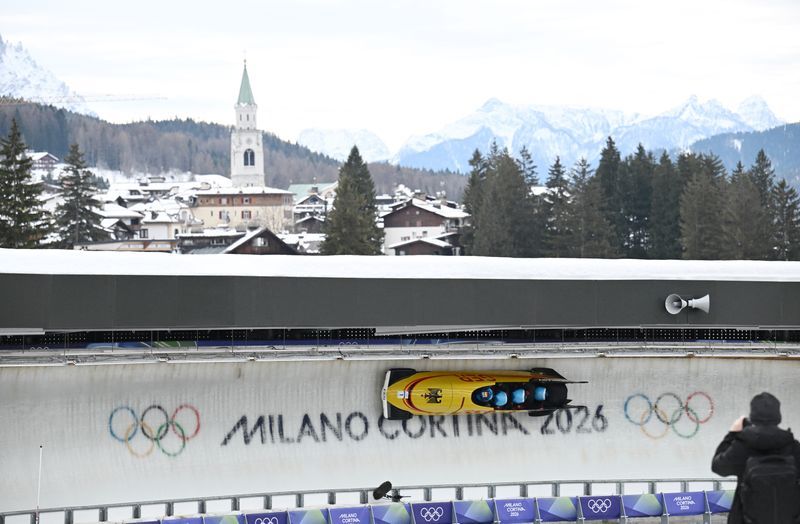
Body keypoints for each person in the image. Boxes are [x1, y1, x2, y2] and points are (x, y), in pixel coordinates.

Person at [711, 392, 800, 523]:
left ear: (753, 416)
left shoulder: (743, 445)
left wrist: (732, 434)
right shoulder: (791, 445)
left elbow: (718, 466)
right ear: (778, 416)